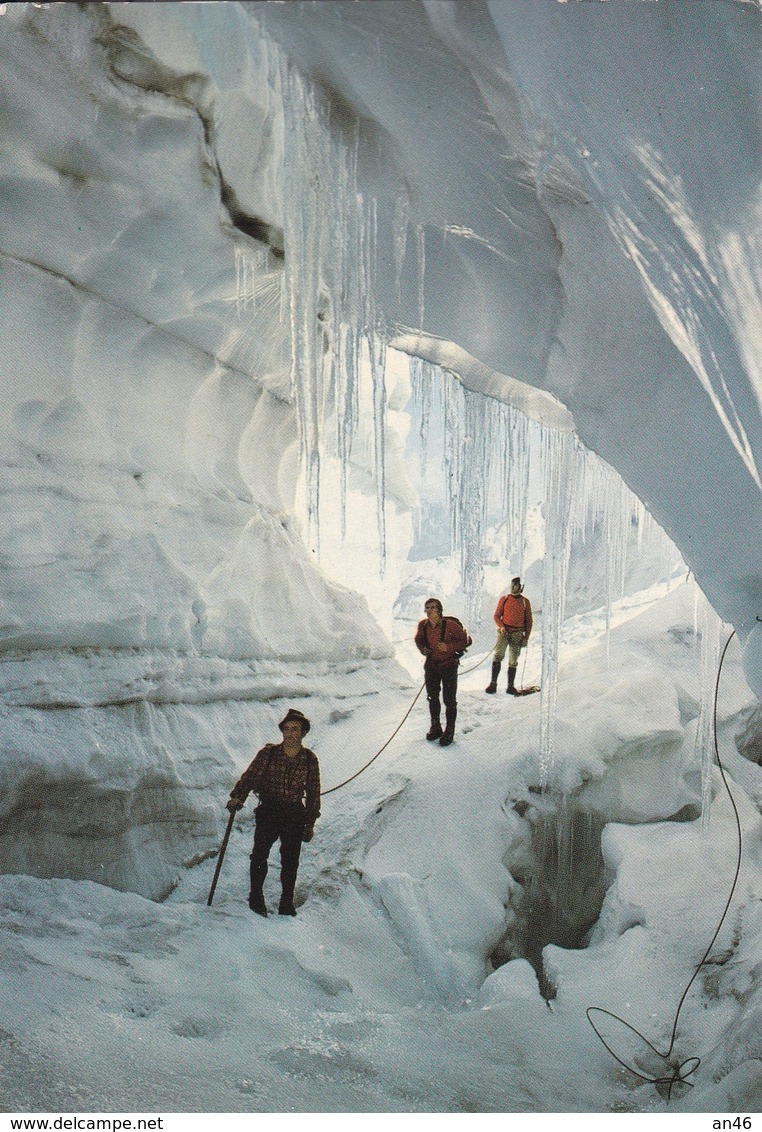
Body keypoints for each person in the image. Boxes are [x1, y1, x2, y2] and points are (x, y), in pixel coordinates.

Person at [226, 708, 320, 917]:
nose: (289, 733)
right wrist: (237, 797)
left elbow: (313, 792)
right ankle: (256, 897)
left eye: (295, 729)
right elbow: (250, 777)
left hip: (294, 813)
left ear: (303, 732)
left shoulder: (309, 759)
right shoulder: (268, 754)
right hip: (269, 809)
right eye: (286, 728)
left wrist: (310, 823)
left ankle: (286, 903)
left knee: (290, 860)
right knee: (259, 855)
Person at [414, 598, 470, 747]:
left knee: (449, 699)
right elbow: (418, 640)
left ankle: (449, 731)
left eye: (432, 607)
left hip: (449, 665)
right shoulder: (423, 626)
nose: (429, 610)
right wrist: (423, 649)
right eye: (427, 607)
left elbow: (464, 641)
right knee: (433, 697)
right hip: (432, 665)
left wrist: (448, 647)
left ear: (439, 610)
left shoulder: (450, 625)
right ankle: (436, 727)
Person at [486, 576, 533, 695]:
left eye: (516, 585)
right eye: (512, 585)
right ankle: (493, 684)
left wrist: (526, 637)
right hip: (504, 632)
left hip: (517, 633)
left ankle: (510, 686)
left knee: (513, 660)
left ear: (520, 587)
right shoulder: (505, 599)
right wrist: (501, 626)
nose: (513, 587)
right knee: (498, 656)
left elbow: (529, 621)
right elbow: (496, 615)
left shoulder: (525, 602)